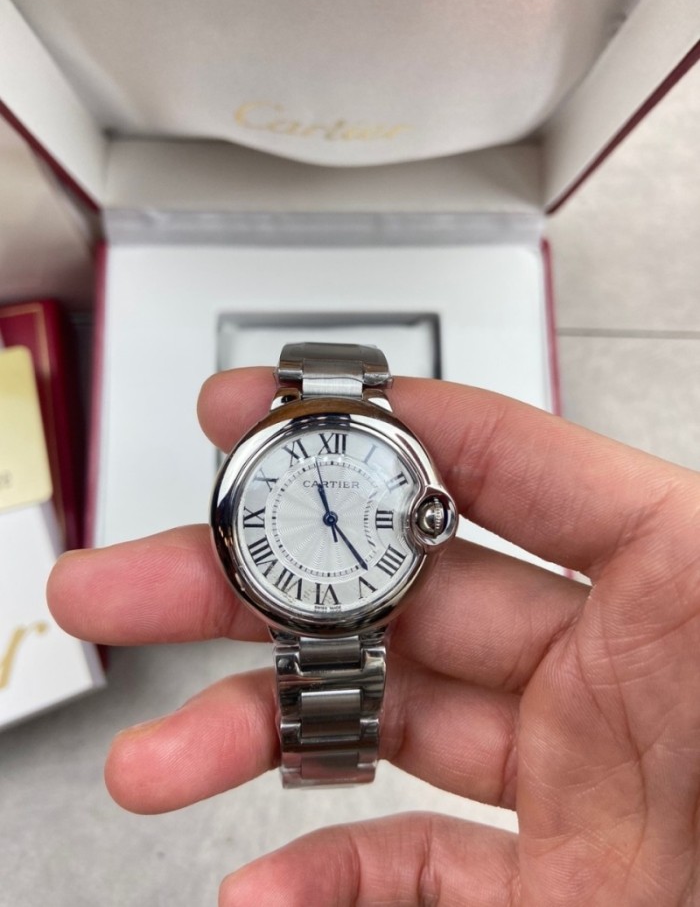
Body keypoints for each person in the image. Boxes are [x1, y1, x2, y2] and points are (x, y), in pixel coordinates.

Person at [48, 369, 700, 905]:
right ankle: (328, 758)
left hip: (363, 612)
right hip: (308, 613)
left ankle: (330, 759)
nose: (332, 517)